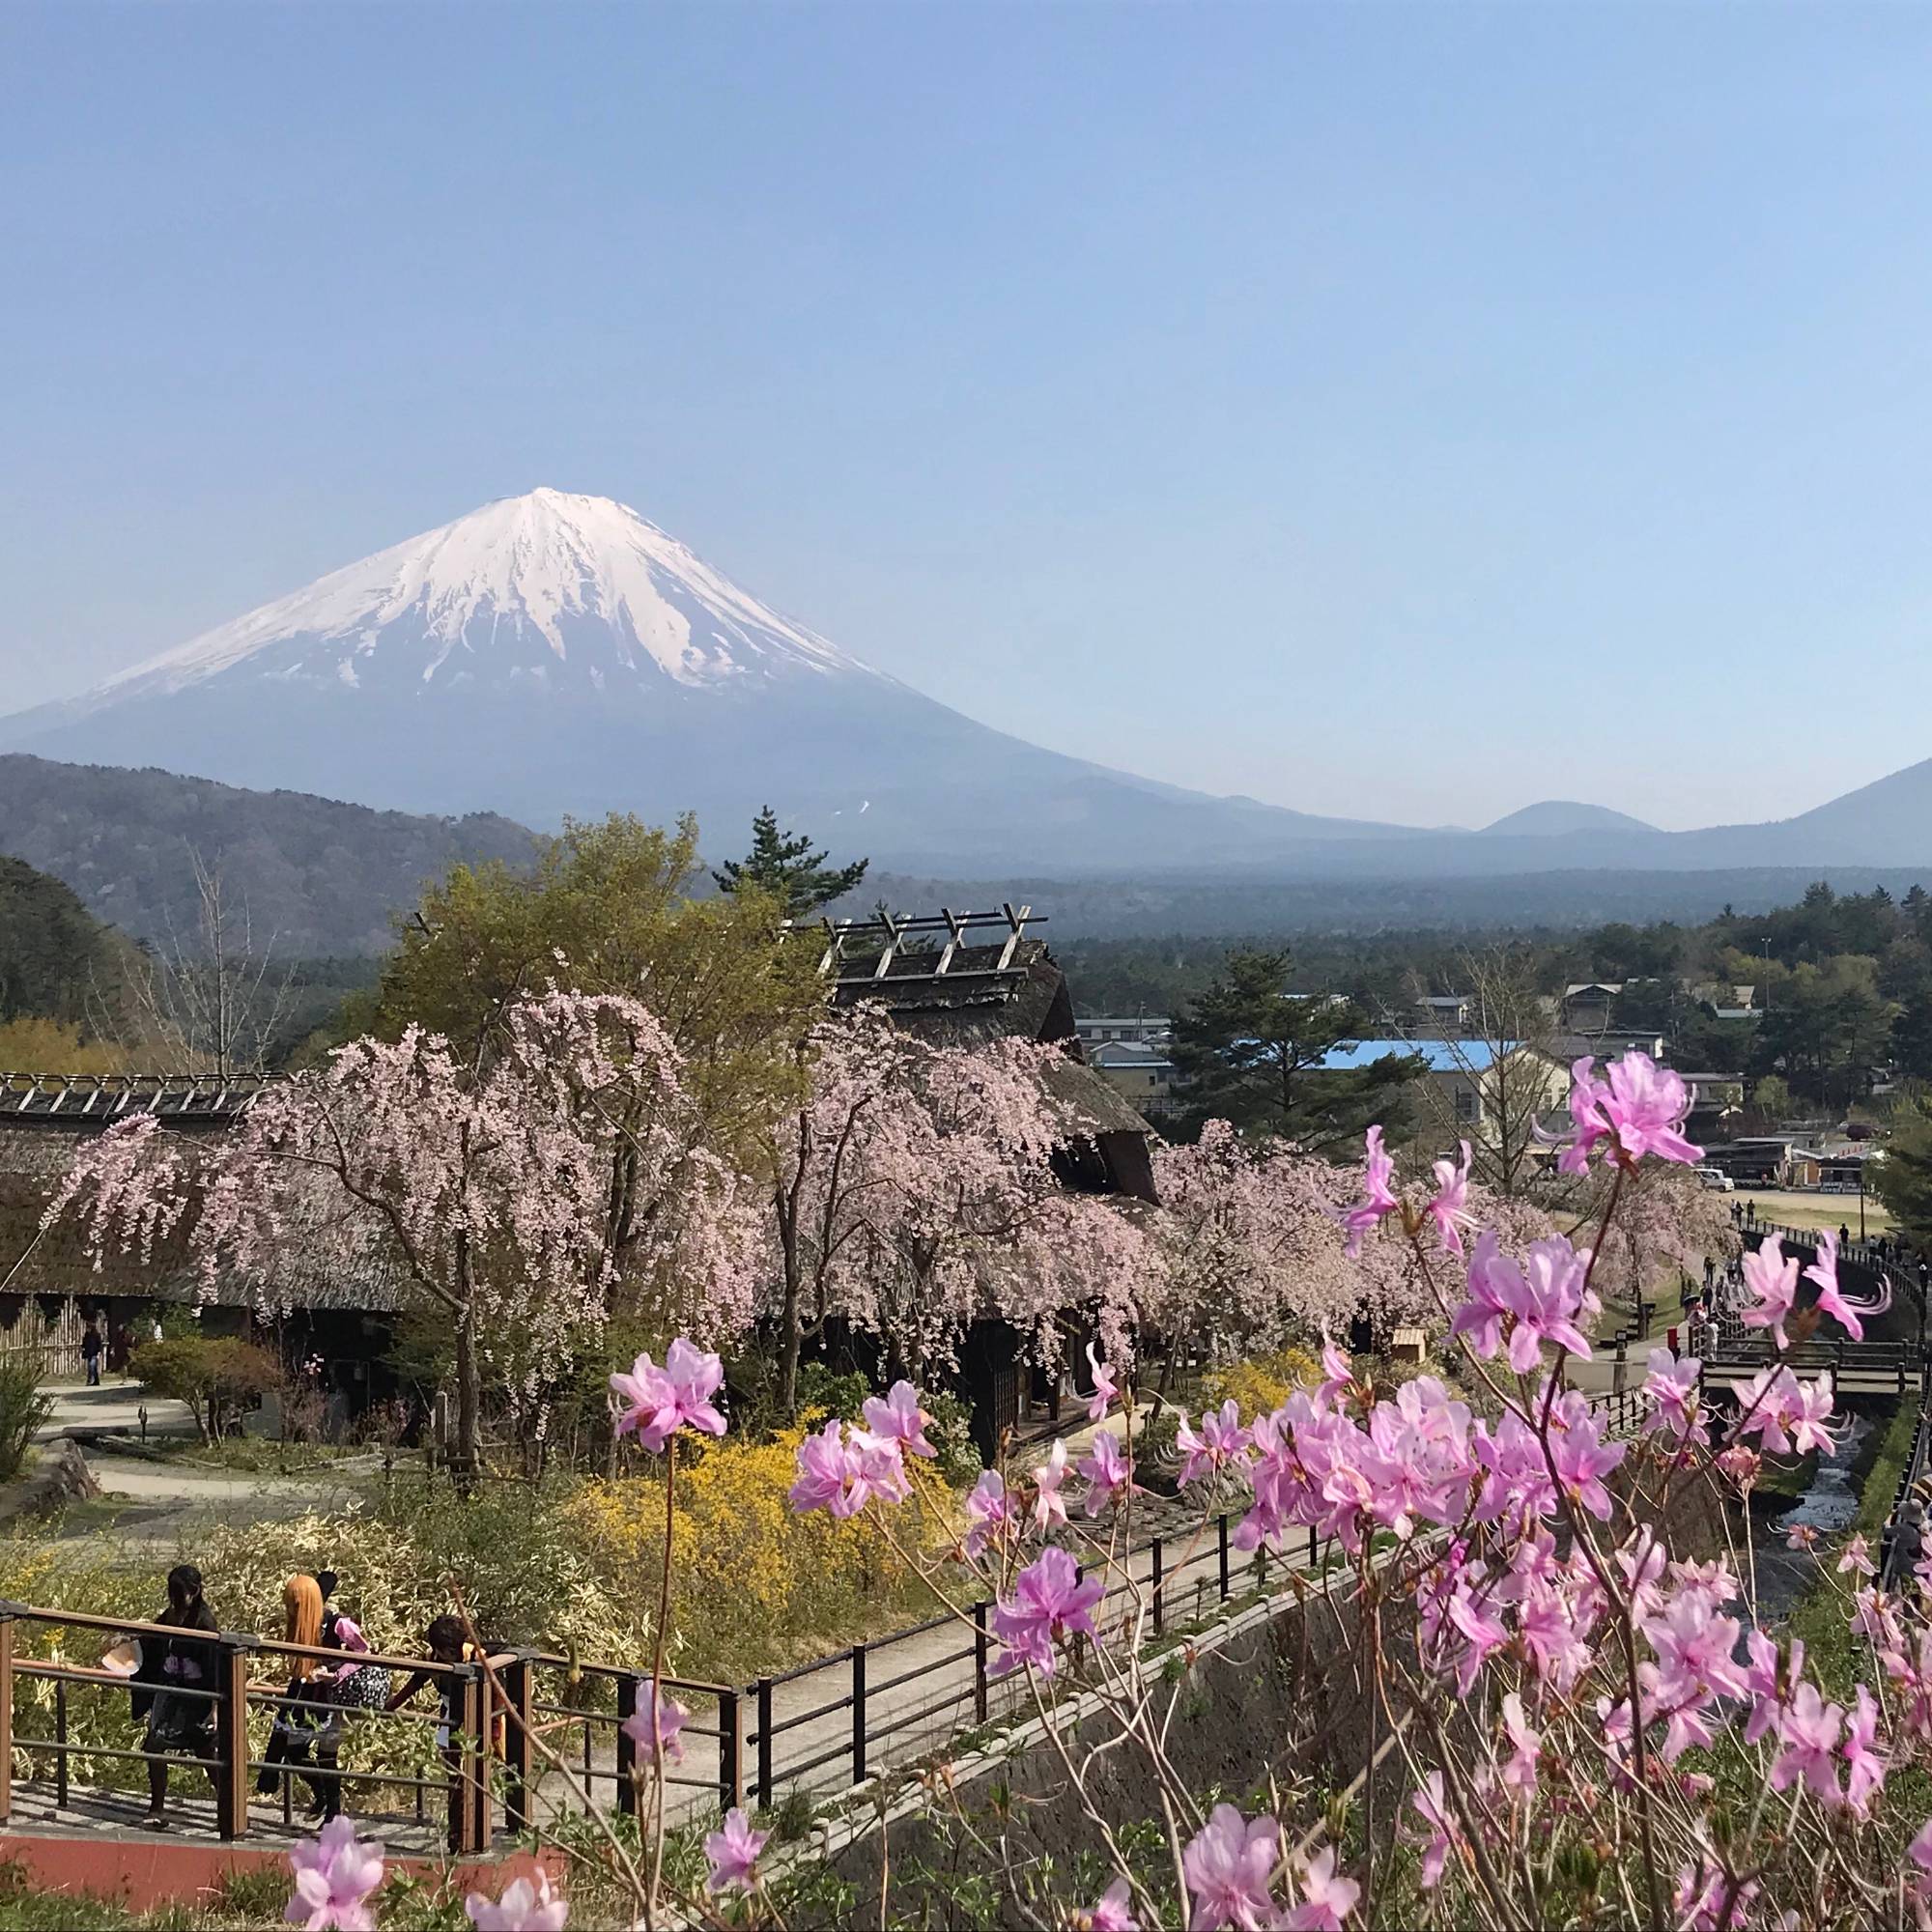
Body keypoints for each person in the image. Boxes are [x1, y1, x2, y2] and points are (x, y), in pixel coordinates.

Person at [131, 1564, 219, 1829]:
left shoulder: (204, 1621)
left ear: (195, 1591)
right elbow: (152, 1638)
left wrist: (215, 1706)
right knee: (155, 1744)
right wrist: (129, 1640)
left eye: (181, 1593)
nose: (177, 1598)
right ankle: (157, 1807)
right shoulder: (170, 1614)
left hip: (195, 1695)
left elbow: (215, 1666)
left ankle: (230, 1805)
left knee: (205, 1750)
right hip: (169, 1692)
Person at [80, 1320, 103, 1388]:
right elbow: (84, 1343)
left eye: (88, 1328)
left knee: (91, 1366)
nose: (87, 1329)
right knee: (93, 1368)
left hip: (95, 1353)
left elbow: (99, 1344)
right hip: (88, 1353)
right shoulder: (87, 1335)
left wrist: (99, 1352)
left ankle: (90, 1380)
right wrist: (83, 1348)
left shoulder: (96, 1335)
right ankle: (96, 1381)